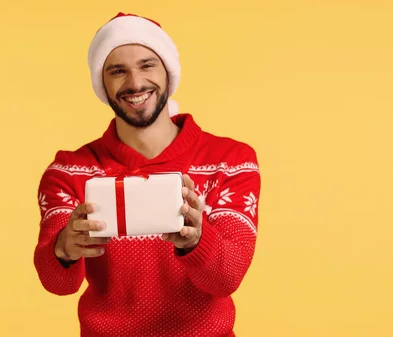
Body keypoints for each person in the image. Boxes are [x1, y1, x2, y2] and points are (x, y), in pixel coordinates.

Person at [33, 12, 261, 337]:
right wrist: (63, 249)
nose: (135, 83)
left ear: (168, 73)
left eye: (147, 65)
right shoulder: (68, 171)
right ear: (103, 84)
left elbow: (227, 279)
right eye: (117, 71)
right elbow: (58, 284)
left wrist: (198, 241)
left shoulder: (230, 161)